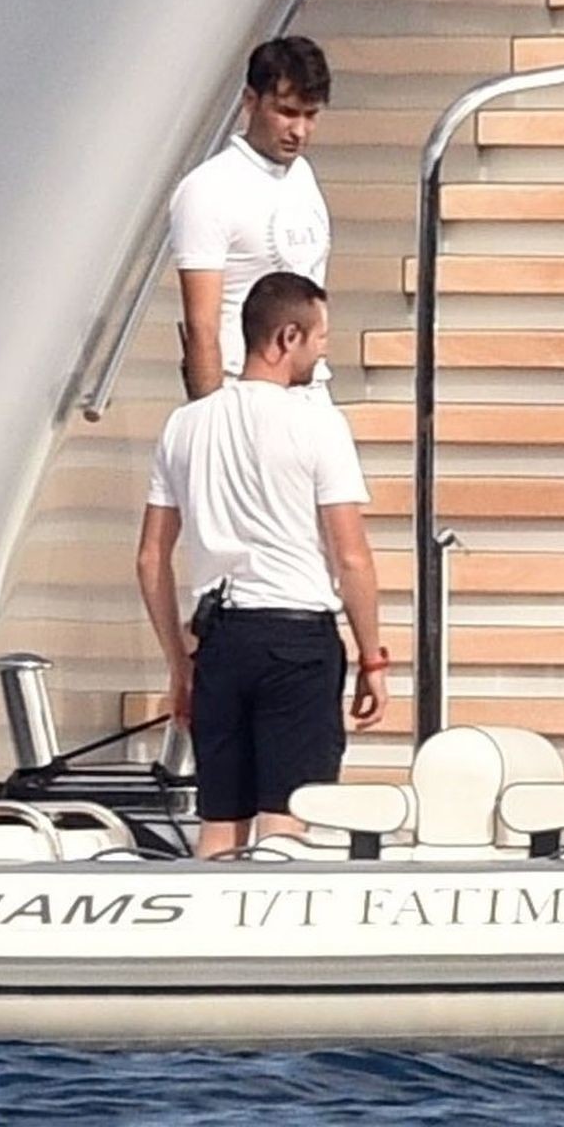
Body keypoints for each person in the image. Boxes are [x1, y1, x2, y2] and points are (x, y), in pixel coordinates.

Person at [136, 271, 388, 858]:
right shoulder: (319, 423)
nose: (322, 352)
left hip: (219, 639)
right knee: (286, 817)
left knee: (220, 820)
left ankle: (205, 917)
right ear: (286, 337)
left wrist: (179, 662)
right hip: (296, 637)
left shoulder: (185, 424)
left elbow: (150, 558)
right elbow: (350, 556)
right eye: (318, 338)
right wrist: (372, 656)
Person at [170, 35, 331, 398]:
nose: (299, 131)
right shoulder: (207, 189)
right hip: (242, 390)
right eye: (286, 112)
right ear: (250, 101)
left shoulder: (302, 175)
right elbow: (202, 326)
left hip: (311, 389)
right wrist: (212, 416)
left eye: (310, 115)